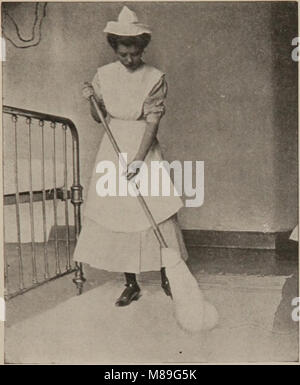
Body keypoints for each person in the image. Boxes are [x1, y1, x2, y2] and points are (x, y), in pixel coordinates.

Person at [73, 6, 188, 306]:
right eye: (123, 53)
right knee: (120, 211)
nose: (129, 59)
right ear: (115, 48)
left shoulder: (154, 77)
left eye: (134, 53)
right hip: (112, 147)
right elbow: (99, 118)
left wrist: (138, 159)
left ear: (142, 47)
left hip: (142, 145)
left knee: (155, 209)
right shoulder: (104, 75)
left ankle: (168, 275)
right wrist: (92, 100)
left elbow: (152, 121)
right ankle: (131, 283)